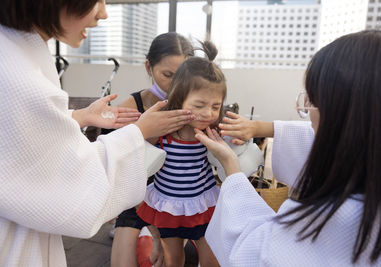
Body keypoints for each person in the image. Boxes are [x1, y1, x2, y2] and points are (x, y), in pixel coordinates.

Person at [0, 1, 194, 266]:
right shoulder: (16, 73)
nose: (103, 13)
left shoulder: (17, 53)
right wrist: (140, 133)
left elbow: (22, 135)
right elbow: (66, 177)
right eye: (97, 1)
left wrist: (74, 117)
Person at [195, 30, 381, 266]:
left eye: (313, 103)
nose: (308, 116)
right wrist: (259, 128)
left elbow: (255, 251)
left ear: (343, 116)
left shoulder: (335, 223)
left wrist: (232, 169)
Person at [134, 41, 225, 267]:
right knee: (173, 260)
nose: (208, 113)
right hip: (169, 206)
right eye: (200, 104)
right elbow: (139, 154)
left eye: (215, 106)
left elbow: (232, 154)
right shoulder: (163, 131)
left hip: (202, 204)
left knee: (212, 259)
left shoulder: (211, 131)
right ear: (179, 98)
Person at [111, 32, 194, 267]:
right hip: (136, 199)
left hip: (177, 201)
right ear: (149, 67)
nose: (176, 84)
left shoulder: (195, 106)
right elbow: (122, 172)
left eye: (183, 76)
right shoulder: (131, 107)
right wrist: (156, 233)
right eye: (167, 75)